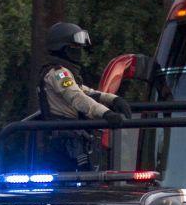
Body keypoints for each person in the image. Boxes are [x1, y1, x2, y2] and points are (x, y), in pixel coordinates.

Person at [36, 21, 125, 171]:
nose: (79, 52)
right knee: (76, 180)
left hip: (71, 137)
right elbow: (76, 97)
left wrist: (113, 99)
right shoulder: (59, 73)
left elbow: (85, 91)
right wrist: (106, 113)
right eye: (76, 48)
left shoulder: (65, 73)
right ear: (63, 49)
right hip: (64, 140)